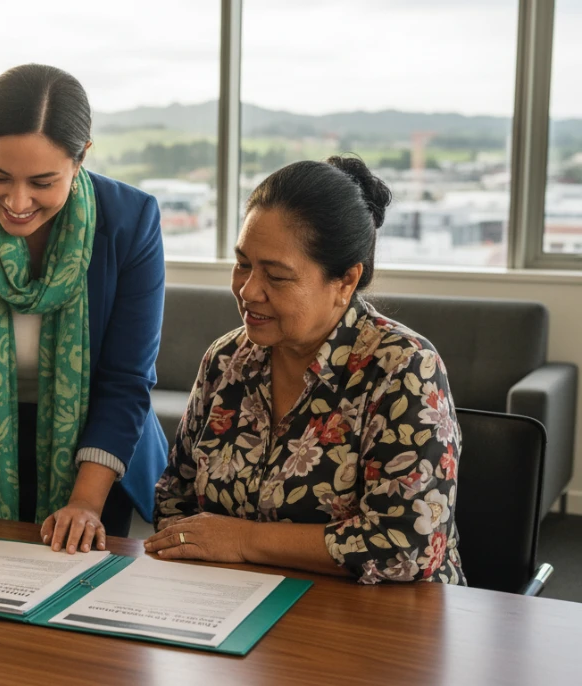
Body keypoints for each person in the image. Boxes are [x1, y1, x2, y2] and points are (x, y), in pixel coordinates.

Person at [147, 156, 464, 584]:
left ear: (346, 282)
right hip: (234, 607)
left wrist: (244, 541)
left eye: (276, 277)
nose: (247, 290)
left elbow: (408, 546)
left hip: (378, 620)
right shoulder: (227, 360)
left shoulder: (403, 369)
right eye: (242, 264)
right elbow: (174, 499)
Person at [0, 64, 168, 555]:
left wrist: (86, 502)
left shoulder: (132, 221)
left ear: (81, 157)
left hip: (94, 456)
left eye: (43, 182)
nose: (17, 202)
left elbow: (126, 381)